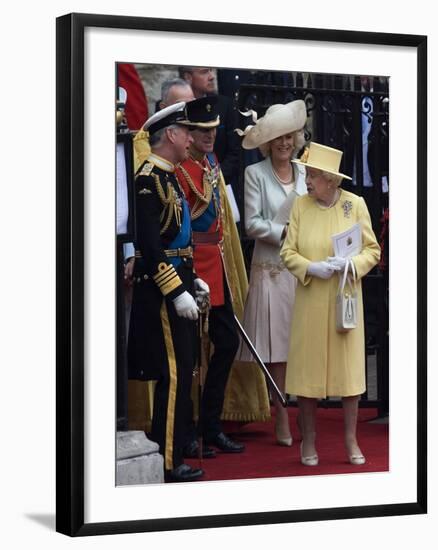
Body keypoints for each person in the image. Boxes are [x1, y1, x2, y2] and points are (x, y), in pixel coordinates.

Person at [280, 142, 381, 466]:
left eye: (312, 175)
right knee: (308, 375)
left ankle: (351, 439)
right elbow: (287, 253)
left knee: (349, 375)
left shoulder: (356, 204)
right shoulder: (300, 206)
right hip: (311, 299)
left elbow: (373, 250)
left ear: (331, 179)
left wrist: (351, 266)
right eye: (307, 174)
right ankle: (308, 440)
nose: (307, 180)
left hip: (344, 299)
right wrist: (311, 267)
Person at [127, 101, 210, 482]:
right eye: (187, 131)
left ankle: (175, 450)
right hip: (162, 295)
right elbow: (149, 243)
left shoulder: (170, 175)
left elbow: (176, 237)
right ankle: (167, 461)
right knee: (173, 375)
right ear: (172, 135)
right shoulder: (147, 178)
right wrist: (175, 290)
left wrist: (190, 278)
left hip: (179, 283)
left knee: (183, 370)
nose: (192, 137)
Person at [175, 96, 247, 456]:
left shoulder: (212, 162)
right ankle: (187, 431)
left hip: (216, 263)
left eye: (214, 129)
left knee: (227, 342)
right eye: (203, 130)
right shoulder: (180, 167)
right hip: (192, 262)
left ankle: (211, 423)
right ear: (189, 132)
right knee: (190, 355)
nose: (210, 136)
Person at [237, 100, 307, 446]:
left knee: (301, 344)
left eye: (289, 136)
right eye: (278, 137)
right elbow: (251, 224)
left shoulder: (307, 173)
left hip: (303, 270)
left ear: (296, 138)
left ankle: (303, 411)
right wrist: (285, 232)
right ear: (268, 142)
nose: (284, 142)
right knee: (277, 348)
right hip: (272, 270)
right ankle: (281, 413)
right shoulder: (255, 174)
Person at [178, 67, 240, 193]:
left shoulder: (224, 104)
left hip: (221, 184)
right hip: (183, 184)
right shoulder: (175, 106)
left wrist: (213, 180)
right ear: (188, 77)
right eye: (205, 72)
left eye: (211, 70)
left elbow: (235, 152)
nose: (212, 76)